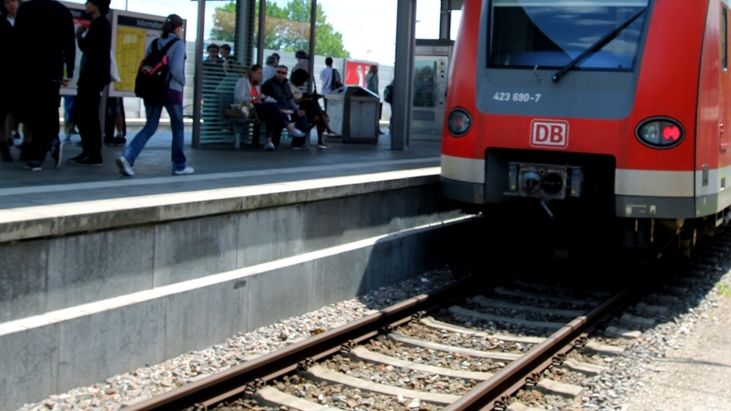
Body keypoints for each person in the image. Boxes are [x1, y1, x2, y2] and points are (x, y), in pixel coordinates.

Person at [115, 14, 193, 177]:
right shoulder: (178, 44)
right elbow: (176, 69)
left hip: (151, 90)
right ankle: (179, 165)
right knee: (178, 127)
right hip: (171, 90)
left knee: (150, 126)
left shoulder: (154, 43)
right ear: (178, 28)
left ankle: (127, 157)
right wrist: (183, 82)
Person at [14, 0, 75, 171]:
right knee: (46, 109)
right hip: (52, 69)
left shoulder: (25, 8)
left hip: (28, 68)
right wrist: (68, 70)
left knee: (28, 110)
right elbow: (69, 43)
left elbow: (17, 39)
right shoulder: (62, 11)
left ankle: (39, 154)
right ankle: (51, 140)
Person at [68, 0, 111, 166]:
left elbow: (89, 47)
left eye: (89, 2)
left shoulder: (100, 24)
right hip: (93, 76)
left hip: (92, 77)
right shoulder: (100, 23)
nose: (86, 5)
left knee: (85, 114)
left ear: (96, 4)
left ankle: (92, 153)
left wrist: (79, 36)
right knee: (85, 114)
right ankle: (89, 151)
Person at [234, 64, 306, 151]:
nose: (260, 76)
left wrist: (274, 104)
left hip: (258, 109)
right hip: (246, 108)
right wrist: (255, 98)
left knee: (273, 112)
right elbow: (239, 98)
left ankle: (269, 142)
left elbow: (266, 99)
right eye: (258, 73)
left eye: (261, 74)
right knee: (273, 108)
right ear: (252, 73)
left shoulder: (257, 86)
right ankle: (290, 128)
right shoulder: (243, 82)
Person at [261, 65, 309, 150]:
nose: (280, 74)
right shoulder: (269, 84)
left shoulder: (286, 85)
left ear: (286, 74)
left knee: (302, 115)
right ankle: (276, 140)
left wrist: (296, 110)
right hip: (277, 109)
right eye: (279, 72)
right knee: (279, 115)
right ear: (275, 72)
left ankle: (297, 144)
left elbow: (290, 99)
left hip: (288, 109)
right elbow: (265, 99)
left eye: (283, 73)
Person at [290, 68, 335, 149]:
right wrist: (306, 99)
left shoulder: (295, 87)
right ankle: (326, 130)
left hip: (304, 108)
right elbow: (294, 100)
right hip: (296, 110)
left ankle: (324, 123)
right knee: (314, 106)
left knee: (317, 115)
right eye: (303, 81)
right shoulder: (290, 87)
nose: (303, 83)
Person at [0, 0, 20, 161]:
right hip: (4, 73)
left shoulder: (26, 22)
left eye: (14, 1)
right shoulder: (2, 22)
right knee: (3, 111)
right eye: (7, 2)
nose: (11, 5)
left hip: (20, 73)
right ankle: (4, 143)